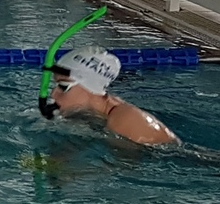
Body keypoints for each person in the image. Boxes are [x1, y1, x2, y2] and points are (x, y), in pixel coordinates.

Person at [46, 47, 178, 147]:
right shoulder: (98, 117)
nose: (53, 94)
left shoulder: (125, 118)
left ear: (92, 88)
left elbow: (123, 168)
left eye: (63, 86)